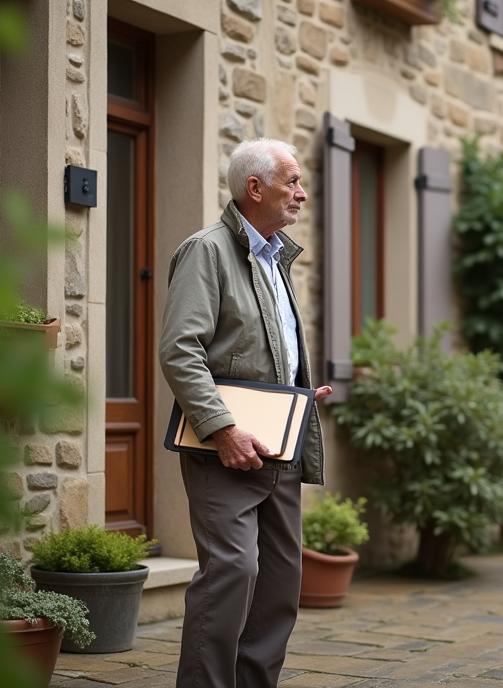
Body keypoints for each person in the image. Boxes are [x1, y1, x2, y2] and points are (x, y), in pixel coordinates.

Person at [159, 138, 331, 688]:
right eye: (292, 182)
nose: (302, 194)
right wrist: (223, 428)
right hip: (225, 449)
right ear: (254, 188)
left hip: (279, 443)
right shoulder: (206, 251)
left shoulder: (276, 256)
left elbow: (263, 348)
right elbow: (180, 350)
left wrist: (299, 395)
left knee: (280, 583)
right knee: (232, 573)